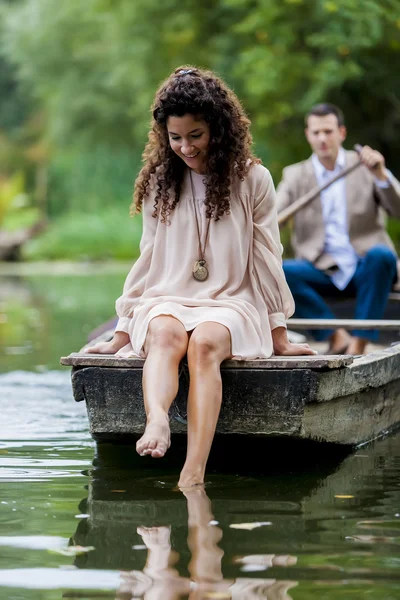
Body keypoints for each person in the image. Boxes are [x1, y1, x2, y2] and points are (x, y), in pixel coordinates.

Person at [86, 66, 315, 488]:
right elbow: (148, 258)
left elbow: (267, 256)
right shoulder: (161, 181)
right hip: (168, 294)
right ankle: (156, 421)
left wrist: (278, 329)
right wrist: (123, 328)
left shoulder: (253, 179)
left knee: (205, 343)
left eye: (195, 135)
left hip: (233, 300)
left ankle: (193, 472)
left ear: (219, 128)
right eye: (175, 138)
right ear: (163, 136)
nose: (185, 148)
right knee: (165, 335)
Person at [276, 103, 400, 355]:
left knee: (382, 256)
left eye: (328, 131)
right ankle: (335, 336)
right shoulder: (295, 175)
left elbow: (397, 210)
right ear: (307, 135)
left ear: (341, 133)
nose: (322, 138)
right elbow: (272, 217)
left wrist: (380, 175)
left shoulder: (366, 165)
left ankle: (359, 344)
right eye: (316, 132)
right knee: (277, 270)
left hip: (364, 268)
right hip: (321, 269)